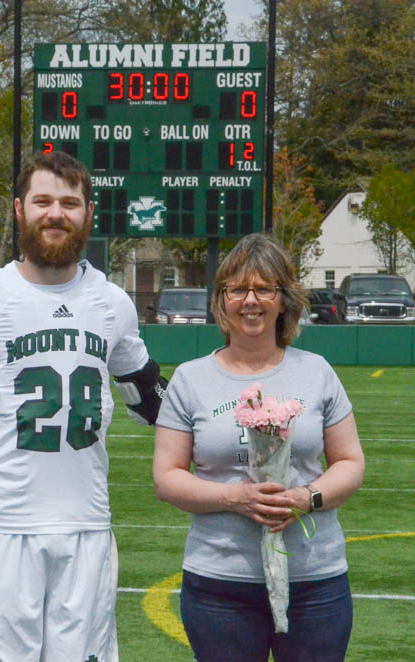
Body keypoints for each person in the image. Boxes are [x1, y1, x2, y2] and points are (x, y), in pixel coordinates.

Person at [0, 151, 166, 662]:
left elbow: (148, 399)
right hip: (4, 526)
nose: (56, 214)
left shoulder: (112, 302)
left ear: (89, 213)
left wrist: (229, 422)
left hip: (87, 526)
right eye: (43, 201)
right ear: (19, 209)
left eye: (70, 203)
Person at [152, 233, 365, 662]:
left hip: (314, 582)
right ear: (221, 300)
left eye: (264, 289)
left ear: (283, 300)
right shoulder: (190, 379)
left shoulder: (317, 372)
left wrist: (308, 498)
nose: (251, 301)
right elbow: (167, 477)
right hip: (219, 584)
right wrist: (234, 497)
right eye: (238, 289)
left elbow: (350, 461)